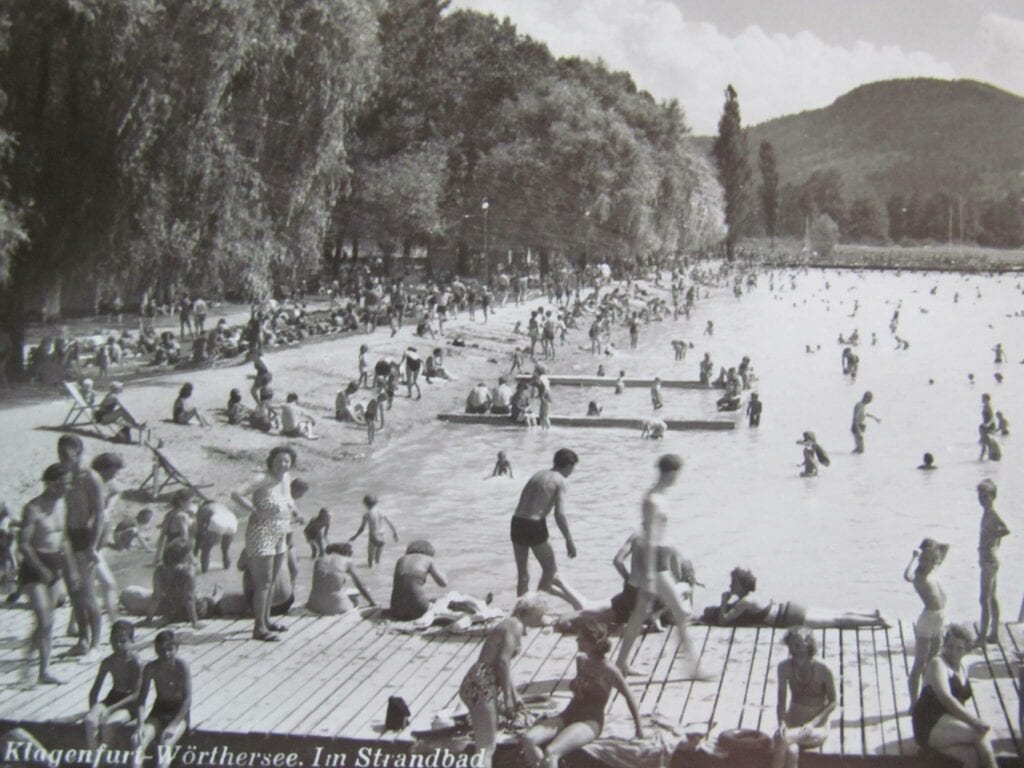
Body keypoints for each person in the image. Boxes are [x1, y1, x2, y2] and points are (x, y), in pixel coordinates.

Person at [616, 455, 701, 676]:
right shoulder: (653, 500)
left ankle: (622, 662)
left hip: (658, 559)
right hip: (654, 563)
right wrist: (652, 574)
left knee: (639, 613)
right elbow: (651, 536)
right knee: (681, 612)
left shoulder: (659, 497)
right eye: (677, 473)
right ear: (670, 472)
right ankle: (693, 668)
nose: (678, 478)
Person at [521, 620, 642, 768]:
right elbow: (579, 692)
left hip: (589, 721)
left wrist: (639, 731)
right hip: (569, 713)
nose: (577, 641)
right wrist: (575, 687)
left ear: (593, 643)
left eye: (581, 639)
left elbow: (629, 697)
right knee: (528, 738)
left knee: (551, 751)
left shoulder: (609, 670)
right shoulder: (581, 661)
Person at [231, 446, 298, 642]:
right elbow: (236, 494)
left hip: (280, 531)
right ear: (271, 461)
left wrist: (297, 512)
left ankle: (266, 621)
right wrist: (253, 510)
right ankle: (258, 628)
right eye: (279, 461)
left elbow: (289, 499)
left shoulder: (285, 478)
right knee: (263, 582)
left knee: (273, 579)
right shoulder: (261, 478)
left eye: (286, 461)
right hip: (261, 532)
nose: (283, 464)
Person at [19, 463, 77, 684]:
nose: (67, 488)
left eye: (69, 484)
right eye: (64, 484)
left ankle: (41, 668)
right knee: (44, 618)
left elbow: (63, 540)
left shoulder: (62, 505)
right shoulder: (33, 508)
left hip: (54, 564)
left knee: (48, 621)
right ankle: (35, 663)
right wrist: (40, 569)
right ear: (51, 484)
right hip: (34, 567)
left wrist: (70, 570)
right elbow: (23, 544)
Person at [912, 623, 997, 768]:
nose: (953, 651)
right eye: (949, 646)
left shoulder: (962, 667)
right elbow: (946, 697)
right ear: (944, 645)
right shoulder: (937, 663)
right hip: (929, 724)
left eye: (959, 648)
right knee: (979, 734)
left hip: (946, 723)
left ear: (966, 650)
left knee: (971, 756)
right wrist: (974, 721)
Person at [510, 449, 584, 610]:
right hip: (534, 524)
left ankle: (520, 615)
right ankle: (534, 611)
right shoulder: (560, 480)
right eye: (573, 467)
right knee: (550, 570)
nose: (573, 471)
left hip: (517, 522)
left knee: (523, 575)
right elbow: (559, 514)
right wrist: (569, 540)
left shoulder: (538, 475)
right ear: (569, 465)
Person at [459, 606, 530, 768]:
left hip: (480, 681)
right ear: (529, 612)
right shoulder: (515, 626)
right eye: (540, 614)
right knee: (486, 747)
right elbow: (502, 662)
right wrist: (507, 698)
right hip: (482, 684)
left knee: (485, 744)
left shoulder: (511, 623)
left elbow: (504, 665)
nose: (543, 618)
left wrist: (514, 693)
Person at [711, 567, 886, 629]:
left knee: (836, 620)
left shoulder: (744, 602)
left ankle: (875, 622)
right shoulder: (752, 596)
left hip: (791, 617)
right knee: (837, 613)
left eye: (733, 583)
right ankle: (871, 613)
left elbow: (723, 621)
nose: (730, 586)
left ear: (741, 585)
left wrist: (723, 601)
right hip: (791, 607)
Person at [59, 435, 105, 659]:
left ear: (77, 452)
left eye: (66, 454)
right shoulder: (64, 477)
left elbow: (99, 514)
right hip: (68, 537)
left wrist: (93, 546)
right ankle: (82, 639)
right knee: (74, 594)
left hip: (84, 537)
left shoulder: (91, 478)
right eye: (60, 454)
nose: (62, 458)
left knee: (87, 594)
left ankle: (96, 644)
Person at [771, 627, 837, 768]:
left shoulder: (823, 668)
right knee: (792, 750)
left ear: (809, 646)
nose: (794, 650)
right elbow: (781, 700)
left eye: (798, 645)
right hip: (793, 719)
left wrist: (813, 723)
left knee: (782, 740)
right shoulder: (784, 667)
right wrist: (781, 722)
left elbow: (833, 702)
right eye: (791, 645)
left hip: (817, 724)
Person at [131, 630, 191, 768]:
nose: (166, 654)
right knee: (138, 742)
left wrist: (174, 725)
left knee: (165, 744)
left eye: (170, 650)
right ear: (156, 650)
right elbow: (141, 701)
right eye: (161, 650)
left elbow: (187, 700)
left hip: (179, 711)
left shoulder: (182, 666)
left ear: (176, 649)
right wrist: (140, 725)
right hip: (160, 709)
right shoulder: (151, 668)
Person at [84, 620, 142, 750]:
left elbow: (136, 694)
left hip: (129, 703)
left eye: (123, 641)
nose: (118, 645)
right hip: (113, 696)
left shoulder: (136, 662)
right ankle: (96, 759)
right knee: (89, 720)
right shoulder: (108, 662)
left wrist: (110, 710)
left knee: (108, 724)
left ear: (132, 641)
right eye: (114, 641)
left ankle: (105, 757)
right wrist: (93, 710)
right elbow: (94, 691)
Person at [904, 539, 949, 704]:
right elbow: (906, 576)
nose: (928, 562)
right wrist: (915, 557)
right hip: (927, 621)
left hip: (939, 619)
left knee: (934, 662)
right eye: (925, 559)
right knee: (920, 664)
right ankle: (914, 702)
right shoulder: (919, 576)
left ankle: (929, 697)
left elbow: (946, 546)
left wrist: (932, 546)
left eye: (931, 559)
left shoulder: (933, 569)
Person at [976, 479, 1009, 645]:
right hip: (988, 558)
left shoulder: (992, 514)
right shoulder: (987, 512)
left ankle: (982, 636)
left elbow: (1005, 529)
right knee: (992, 596)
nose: (981, 499)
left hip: (989, 558)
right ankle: (994, 632)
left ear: (992, 496)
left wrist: (993, 539)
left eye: (985, 496)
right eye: (980, 496)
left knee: (984, 598)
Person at [306, 542, 375, 615]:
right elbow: (361, 586)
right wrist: (373, 603)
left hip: (313, 606)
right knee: (354, 599)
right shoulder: (347, 561)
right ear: (348, 553)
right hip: (336, 608)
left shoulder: (319, 560)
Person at [390, 540, 448, 621]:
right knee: (442, 601)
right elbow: (443, 584)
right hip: (418, 609)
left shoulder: (401, 559)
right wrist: (444, 573)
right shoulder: (428, 559)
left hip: (396, 609)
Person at [349, 495, 397, 567]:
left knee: (370, 560)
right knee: (378, 560)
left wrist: (354, 537)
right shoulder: (381, 511)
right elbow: (390, 523)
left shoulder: (367, 514)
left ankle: (370, 572)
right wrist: (395, 533)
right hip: (382, 537)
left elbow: (362, 529)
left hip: (374, 537)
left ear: (366, 504)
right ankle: (378, 574)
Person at [193, 501, 237, 573]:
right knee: (225, 550)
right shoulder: (220, 505)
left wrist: (196, 549)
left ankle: (204, 571)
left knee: (206, 549)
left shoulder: (203, 508)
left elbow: (200, 530)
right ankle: (226, 567)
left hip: (217, 519)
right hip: (232, 520)